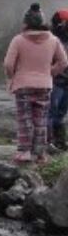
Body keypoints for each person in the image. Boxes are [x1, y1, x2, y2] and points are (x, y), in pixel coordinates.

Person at [3, 3, 68, 164]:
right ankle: (40, 154)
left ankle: (24, 151)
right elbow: (63, 62)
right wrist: (49, 73)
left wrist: (12, 77)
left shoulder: (18, 40)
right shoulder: (53, 40)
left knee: (24, 118)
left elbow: (8, 64)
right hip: (44, 85)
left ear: (26, 22)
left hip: (23, 84)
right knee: (41, 119)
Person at [51, 9, 68, 152]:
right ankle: (49, 142)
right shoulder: (53, 38)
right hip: (56, 80)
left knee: (61, 113)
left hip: (64, 81)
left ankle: (60, 142)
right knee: (52, 112)